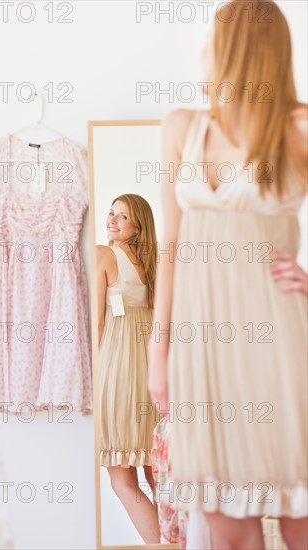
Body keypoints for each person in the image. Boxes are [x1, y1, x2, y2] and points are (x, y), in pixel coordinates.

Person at [147, 1, 308, 549]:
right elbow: (168, 246)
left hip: (280, 338)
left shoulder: (299, 128)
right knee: (227, 527)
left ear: (239, 47)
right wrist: (158, 350)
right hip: (203, 347)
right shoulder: (181, 128)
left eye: (213, 37)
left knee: (301, 518)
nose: (202, 50)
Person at [97, 193, 161, 543]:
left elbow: (97, 324)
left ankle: (162, 546)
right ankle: (182, 541)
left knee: (122, 479)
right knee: (156, 473)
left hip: (118, 372)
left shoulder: (104, 254)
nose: (112, 220)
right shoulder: (153, 264)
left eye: (122, 216)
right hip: (150, 376)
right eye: (111, 213)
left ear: (138, 226)